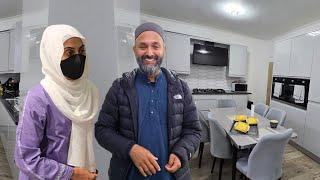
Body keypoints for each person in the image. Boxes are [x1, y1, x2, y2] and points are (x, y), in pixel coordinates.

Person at [95, 22, 201, 180]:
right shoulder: (120, 88)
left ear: (164, 49)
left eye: (155, 46)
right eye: (143, 46)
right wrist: (131, 149)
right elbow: (102, 130)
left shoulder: (180, 88)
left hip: (172, 176)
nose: (149, 53)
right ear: (134, 50)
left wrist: (181, 153)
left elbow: (193, 131)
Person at [14, 24, 99, 180]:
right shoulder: (38, 98)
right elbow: (25, 158)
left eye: (81, 51)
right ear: (53, 54)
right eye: (69, 52)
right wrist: (71, 174)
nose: (78, 58)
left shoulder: (89, 92)